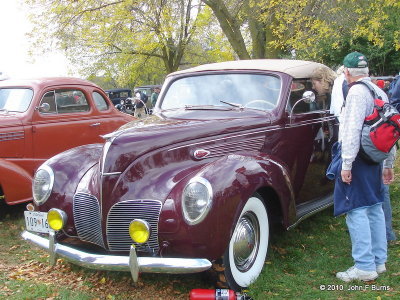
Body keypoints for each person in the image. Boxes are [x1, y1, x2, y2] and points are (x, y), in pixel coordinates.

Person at [332, 51, 395, 282]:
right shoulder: (379, 90)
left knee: (356, 209)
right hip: (374, 158)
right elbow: (390, 129)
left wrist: (346, 163)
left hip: (358, 158)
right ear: (366, 71)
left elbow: (351, 129)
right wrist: (388, 162)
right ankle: (379, 262)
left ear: (347, 72)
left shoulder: (356, 92)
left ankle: (364, 265)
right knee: (375, 206)